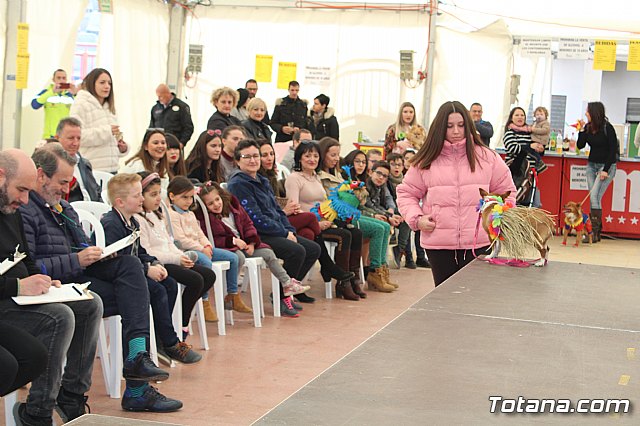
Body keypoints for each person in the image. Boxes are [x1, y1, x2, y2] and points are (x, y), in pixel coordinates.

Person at [18, 144, 181, 414]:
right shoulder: (25, 211)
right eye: (61, 182)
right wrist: (77, 260)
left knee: (131, 268)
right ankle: (133, 387)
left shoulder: (63, 208)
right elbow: (28, 268)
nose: (65, 189)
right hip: (54, 286)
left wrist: (98, 254)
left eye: (68, 182)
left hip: (78, 279)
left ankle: (137, 361)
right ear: (40, 176)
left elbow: (82, 247)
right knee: (123, 295)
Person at [397, 100, 516, 286]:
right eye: (449, 126)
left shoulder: (488, 157)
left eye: (461, 125)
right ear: (440, 128)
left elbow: (507, 192)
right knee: (444, 301)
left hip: (479, 243)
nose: (456, 131)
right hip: (439, 245)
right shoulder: (426, 160)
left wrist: (497, 218)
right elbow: (406, 193)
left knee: (475, 300)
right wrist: (417, 218)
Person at [102, 173, 202, 367]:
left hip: (136, 273)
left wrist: (154, 263)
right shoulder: (111, 224)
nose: (142, 199)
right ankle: (169, 342)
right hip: (121, 279)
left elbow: (140, 251)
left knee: (170, 284)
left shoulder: (131, 221)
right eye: (137, 195)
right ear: (120, 201)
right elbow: (118, 261)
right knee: (156, 290)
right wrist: (147, 268)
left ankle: (161, 339)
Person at [227, 139, 321, 311]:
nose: (253, 160)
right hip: (256, 234)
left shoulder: (262, 180)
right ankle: (281, 297)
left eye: (256, 156)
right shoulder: (238, 183)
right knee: (297, 251)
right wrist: (284, 234)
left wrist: (289, 230)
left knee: (313, 249)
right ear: (238, 160)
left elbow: (278, 210)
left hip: (274, 230)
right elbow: (256, 218)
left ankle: (282, 292)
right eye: (247, 157)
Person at [0, 149, 51, 412]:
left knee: (34, 356)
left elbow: (24, 256)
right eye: (21, 189)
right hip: (5, 298)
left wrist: (39, 280)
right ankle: (38, 411)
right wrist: (18, 286)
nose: (25, 199)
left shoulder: (11, 210)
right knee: (7, 364)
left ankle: (51, 405)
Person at [196, 181, 309, 300]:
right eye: (210, 204)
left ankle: (287, 283)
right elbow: (213, 238)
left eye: (217, 199)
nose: (216, 204)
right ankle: (232, 292)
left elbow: (248, 224)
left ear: (221, 196)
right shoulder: (206, 220)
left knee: (268, 253)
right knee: (239, 256)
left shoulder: (233, 207)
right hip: (228, 248)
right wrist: (233, 241)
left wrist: (252, 242)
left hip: (245, 244)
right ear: (204, 207)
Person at [137, 172, 214, 339]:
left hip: (172, 257)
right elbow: (147, 251)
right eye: (153, 194)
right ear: (140, 196)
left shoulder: (155, 215)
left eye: (159, 193)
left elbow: (169, 242)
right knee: (195, 279)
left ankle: (182, 320)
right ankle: (181, 325)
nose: (158, 199)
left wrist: (181, 256)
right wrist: (177, 259)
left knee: (208, 275)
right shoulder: (139, 219)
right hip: (159, 262)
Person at [284, 141, 359, 300]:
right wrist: (317, 223)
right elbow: (294, 208)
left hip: (315, 225)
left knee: (310, 235)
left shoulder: (315, 177)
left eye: (316, 156)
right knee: (342, 235)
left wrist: (327, 219)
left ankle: (298, 287)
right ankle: (331, 269)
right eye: (307, 155)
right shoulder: (294, 178)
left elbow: (324, 203)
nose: (312, 159)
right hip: (300, 220)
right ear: (299, 158)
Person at [166, 177, 252, 315]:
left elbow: (200, 233)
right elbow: (180, 239)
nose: (188, 201)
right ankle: (204, 301)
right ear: (172, 196)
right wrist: (201, 248)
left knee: (233, 258)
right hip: (187, 250)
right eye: (184, 198)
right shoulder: (172, 215)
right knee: (206, 262)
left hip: (201, 248)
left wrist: (207, 245)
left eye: (190, 197)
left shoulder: (190, 214)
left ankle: (232, 295)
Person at [316, 137, 367, 298]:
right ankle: (343, 282)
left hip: (340, 217)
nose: (336, 159)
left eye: (338, 155)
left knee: (357, 233)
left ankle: (354, 278)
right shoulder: (320, 176)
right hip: (323, 217)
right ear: (323, 154)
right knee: (344, 235)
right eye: (332, 155)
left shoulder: (339, 174)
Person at [341, 150, 396, 293]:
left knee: (384, 226)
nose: (361, 165)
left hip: (357, 214)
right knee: (379, 228)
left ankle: (381, 271)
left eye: (363, 162)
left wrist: (388, 215)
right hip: (345, 216)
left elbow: (370, 206)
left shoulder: (361, 180)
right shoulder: (348, 179)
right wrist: (375, 216)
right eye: (357, 161)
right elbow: (360, 207)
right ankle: (374, 271)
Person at [258, 139, 321, 242]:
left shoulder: (272, 177)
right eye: (264, 155)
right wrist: (283, 212)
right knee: (311, 217)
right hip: (275, 220)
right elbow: (291, 208)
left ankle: (318, 257)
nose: (270, 158)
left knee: (307, 233)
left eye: (272, 154)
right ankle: (325, 257)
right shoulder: (293, 178)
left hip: (281, 217)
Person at [69, 68, 128, 173]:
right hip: (92, 170)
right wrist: (107, 131)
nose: (107, 86)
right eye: (102, 82)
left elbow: (112, 139)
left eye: (109, 83)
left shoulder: (110, 107)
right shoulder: (80, 104)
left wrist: (121, 147)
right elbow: (77, 137)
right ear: (92, 84)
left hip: (112, 169)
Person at [577, 101, 619, 243]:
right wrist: (582, 130)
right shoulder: (588, 127)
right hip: (591, 165)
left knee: (594, 196)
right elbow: (580, 145)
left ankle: (593, 233)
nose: (586, 113)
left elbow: (613, 150)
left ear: (594, 113)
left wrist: (606, 170)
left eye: (588, 111)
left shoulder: (608, 128)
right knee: (595, 198)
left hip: (607, 166)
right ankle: (596, 233)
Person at [386, 152, 429, 269]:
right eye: (393, 164)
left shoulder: (404, 178)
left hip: (400, 210)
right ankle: (404, 253)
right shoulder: (386, 179)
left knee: (417, 217)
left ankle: (415, 256)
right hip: (391, 210)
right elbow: (388, 199)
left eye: (399, 165)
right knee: (408, 218)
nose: (396, 167)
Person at [366, 160, 411, 270]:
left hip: (384, 211)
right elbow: (370, 206)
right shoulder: (365, 186)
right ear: (371, 172)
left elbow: (388, 199)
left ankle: (398, 251)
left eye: (384, 176)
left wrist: (390, 212)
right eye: (378, 173)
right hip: (366, 214)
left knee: (406, 217)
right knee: (383, 226)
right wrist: (388, 216)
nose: (381, 177)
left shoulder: (382, 186)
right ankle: (375, 269)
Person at [503, 107, 546, 208]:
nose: (520, 117)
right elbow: (513, 148)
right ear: (511, 118)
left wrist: (540, 148)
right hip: (516, 173)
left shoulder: (530, 133)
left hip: (530, 174)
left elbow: (538, 151)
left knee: (534, 204)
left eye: (522, 115)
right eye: (517, 115)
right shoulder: (509, 133)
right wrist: (530, 146)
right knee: (515, 200)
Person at [54, 117, 103, 203]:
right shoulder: (51, 166)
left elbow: (96, 193)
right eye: (71, 138)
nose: (75, 143)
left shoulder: (85, 164)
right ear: (57, 138)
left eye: (78, 138)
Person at [32, 69, 77, 138]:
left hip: (67, 135)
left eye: (64, 78)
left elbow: (82, 109)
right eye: (58, 78)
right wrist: (52, 92)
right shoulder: (46, 92)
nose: (61, 80)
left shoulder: (70, 95)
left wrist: (75, 94)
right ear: (53, 79)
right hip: (50, 136)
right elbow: (34, 105)